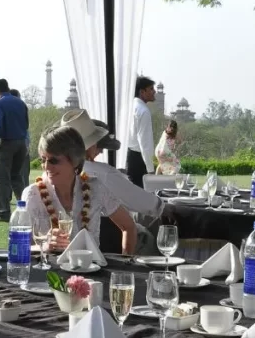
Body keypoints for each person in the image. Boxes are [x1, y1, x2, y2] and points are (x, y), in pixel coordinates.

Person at [23, 126, 138, 254]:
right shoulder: (33, 194)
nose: (46, 166)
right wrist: (45, 246)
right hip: (48, 272)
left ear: (75, 161)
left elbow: (129, 227)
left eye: (54, 161)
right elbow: (17, 247)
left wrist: (126, 263)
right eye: (43, 160)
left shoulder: (95, 188)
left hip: (90, 271)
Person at [60, 109, 164, 218]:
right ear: (90, 145)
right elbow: (147, 204)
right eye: (98, 145)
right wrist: (164, 205)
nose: (101, 151)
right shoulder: (103, 173)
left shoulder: (55, 173)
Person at [0, 78, 29, 222]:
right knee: (16, 177)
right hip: (21, 142)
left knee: (2, 178)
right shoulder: (20, 102)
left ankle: (3, 212)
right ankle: (24, 208)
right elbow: (26, 123)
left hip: (6, 142)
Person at [127, 76, 156, 187]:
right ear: (142, 92)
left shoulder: (130, 107)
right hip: (139, 160)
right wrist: (150, 169)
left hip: (129, 157)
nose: (154, 92)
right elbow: (145, 143)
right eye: (151, 89)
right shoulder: (143, 111)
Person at [9, 89, 31, 187]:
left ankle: (6, 199)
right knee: (23, 175)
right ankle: (25, 198)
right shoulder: (22, 107)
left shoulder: (4, 107)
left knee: (7, 176)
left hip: (8, 145)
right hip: (22, 145)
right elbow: (25, 127)